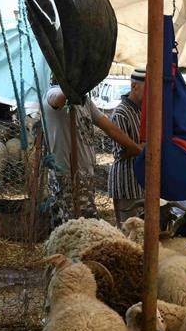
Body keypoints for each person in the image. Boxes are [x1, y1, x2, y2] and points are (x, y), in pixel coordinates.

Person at [43, 79, 141, 226]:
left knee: (86, 226)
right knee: (73, 228)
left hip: (85, 176)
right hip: (67, 177)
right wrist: (73, 86)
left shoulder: (85, 101)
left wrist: (137, 149)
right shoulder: (52, 93)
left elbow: (110, 128)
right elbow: (58, 100)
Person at [107, 69, 146, 226]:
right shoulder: (121, 113)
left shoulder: (144, 111)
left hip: (141, 181)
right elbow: (121, 153)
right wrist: (145, 147)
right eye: (147, 89)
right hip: (126, 181)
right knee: (128, 229)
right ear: (134, 86)